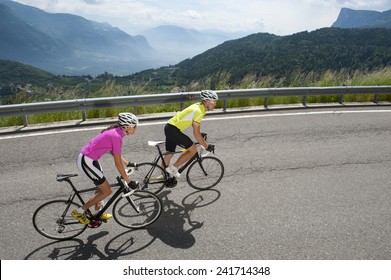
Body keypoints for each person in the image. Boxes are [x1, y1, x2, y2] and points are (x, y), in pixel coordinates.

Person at [72, 112, 139, 224]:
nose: (136, 128)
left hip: (90, 160)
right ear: (127, 127)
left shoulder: (117, 133)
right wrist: (129, 181)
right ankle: (79, 212)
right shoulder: (116, 136)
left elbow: (113, 152)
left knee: (101, 187)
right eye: (134, 126)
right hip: (86, 162)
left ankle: (98, 212)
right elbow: (117, 163)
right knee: (107, 190)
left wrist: (127, 164)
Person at [163, 90, 218, 178]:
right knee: (193, 150)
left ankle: (163, 176)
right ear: (206, 101)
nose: (215, 104)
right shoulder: (199, 111)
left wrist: (201, 136)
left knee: (170, 153)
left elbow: (195, 127)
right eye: (213, 101)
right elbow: (196, 133)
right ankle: (172, 169)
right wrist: (206, 145)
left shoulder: (198, 106)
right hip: (173, 130)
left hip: (169, 126)